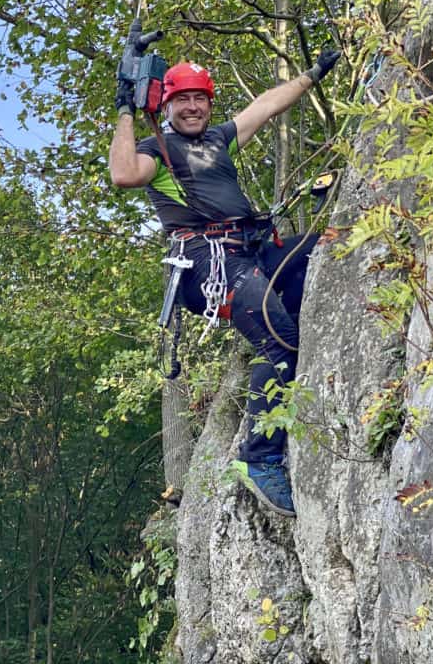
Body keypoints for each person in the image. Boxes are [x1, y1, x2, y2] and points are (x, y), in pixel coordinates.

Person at [108, 47, 340, 516]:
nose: (193, 107)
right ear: (167, 106)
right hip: (208, 264)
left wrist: (313, 75)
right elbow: (123, 173)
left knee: (324, 248)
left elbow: (268, 105)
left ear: (210, 104)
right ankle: (259, 457)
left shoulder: (220, 139)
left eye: (201, 98)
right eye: (182, 100)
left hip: (251, 250)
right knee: (282, 342)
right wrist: (126, 107)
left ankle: (282, 397)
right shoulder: (159, 150)